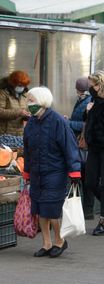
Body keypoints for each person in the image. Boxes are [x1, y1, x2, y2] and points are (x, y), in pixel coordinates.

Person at [23, 87, 81, 258]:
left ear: (42, 101)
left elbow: (70, 147)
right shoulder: (31, 123)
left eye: (31, 100)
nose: (28, 103)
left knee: (51, 209)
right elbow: (27, 149)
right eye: (28, 100)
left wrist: (75, 171)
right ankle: (46, 243)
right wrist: (27, 171)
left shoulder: (57, 121)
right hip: (37, 173)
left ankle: (60, 240)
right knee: (40, 207)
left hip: (55, 172)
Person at [66, 77, 94, 219]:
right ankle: (85, 210)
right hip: (80, 143)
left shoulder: (88, 102)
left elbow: (84, 124)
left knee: (85, 176)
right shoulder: (82, 101)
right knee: (83, 176)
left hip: (84, 145)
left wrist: (69, 123)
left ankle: (87, 210)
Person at [85, 70, 104, 236]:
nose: (91, 87)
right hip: (93, 148)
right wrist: (89, 112)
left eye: (94, 85)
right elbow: (91, 124)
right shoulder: (93, 101)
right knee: (90, 182)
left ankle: (103, 221)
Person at [0, 70, 31, 137]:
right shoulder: (2, 93)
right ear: (13, 83)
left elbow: (26, 110)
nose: (22, 87)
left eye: (24, 85)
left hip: (17, 133)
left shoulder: (25, 95)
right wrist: (19, 112)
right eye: (20, 85)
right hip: (1, 133)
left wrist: (27, 115)